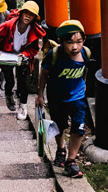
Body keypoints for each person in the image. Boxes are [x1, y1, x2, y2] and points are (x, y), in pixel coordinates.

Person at [35, 19, 90, 179]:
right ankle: (60, 149)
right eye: (70, 42)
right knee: (59, 125)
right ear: (61, 42)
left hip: (77, 97)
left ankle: (71, 161)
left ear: (84, 41)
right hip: (57, 97)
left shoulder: (85, 53)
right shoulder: (55, 55)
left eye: (79, 42)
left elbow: (85, 68)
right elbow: (44, 74)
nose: (75, 47)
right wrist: (40, 95)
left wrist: (84, 83)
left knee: (79, 127)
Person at [0, 0, 45, 120]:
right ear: (21, 13)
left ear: (34, 18)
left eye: (31, 15)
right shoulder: (9, 25)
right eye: (26, 13)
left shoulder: (34, 30)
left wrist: (25, 54)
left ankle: (23, 106)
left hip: (22, 58)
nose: (28, 16)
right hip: (7, 56)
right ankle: (8, 95)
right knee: (9, 81)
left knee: (23, 82)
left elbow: (34, 49)